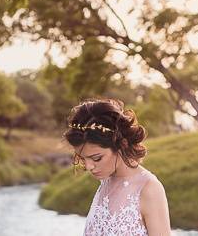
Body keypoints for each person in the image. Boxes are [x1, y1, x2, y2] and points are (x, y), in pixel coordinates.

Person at [63, 98, 172, 236]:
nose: (89, 166)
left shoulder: (149, 189)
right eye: (82, 158)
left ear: (122, 144)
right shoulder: (105, 183)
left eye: (97, 158)